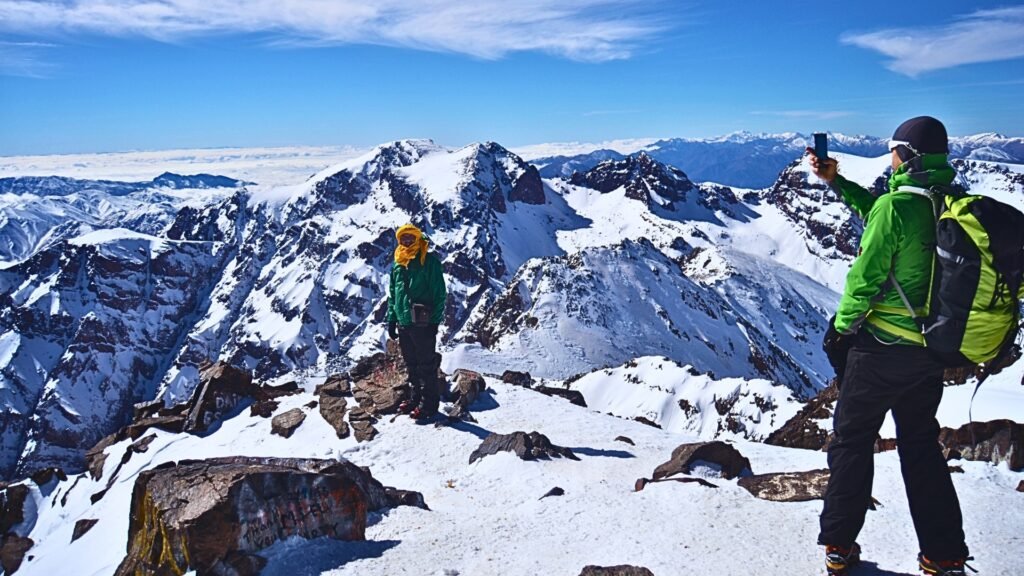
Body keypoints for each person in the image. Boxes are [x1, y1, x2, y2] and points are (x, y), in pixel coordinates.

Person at [810, 117, 972, 576]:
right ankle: (943, 554)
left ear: (909, 155)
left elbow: (865, 279)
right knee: (920, 445)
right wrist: (836, 180)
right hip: (932, 352)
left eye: (894, 149)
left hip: (880, 349)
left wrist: (841, 331)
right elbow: (875, 209)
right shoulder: (952, 201)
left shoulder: (898, 207)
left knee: (852, 441)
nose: (891, 157)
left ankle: (840, 546)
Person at [386, 223, 447, 421]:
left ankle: (429, 404)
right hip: (404, 321)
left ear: (418, 239)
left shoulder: (429, 262)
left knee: (426, 365)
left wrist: (434, 322)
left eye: (411, 238)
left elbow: (439, 294)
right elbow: (393, 294)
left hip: (423, 323)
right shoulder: (398, 263)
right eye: (403, 239)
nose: (407, 242)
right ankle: (415, 398)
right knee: (411, 364)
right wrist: (392, 319)